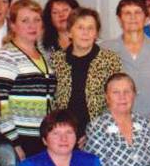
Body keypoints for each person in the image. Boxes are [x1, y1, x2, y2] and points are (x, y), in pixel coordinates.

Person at [0, 0, 58, 158]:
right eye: (25, 21)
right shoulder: (6, 55)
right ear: (13, 25)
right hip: (18, 139)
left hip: (43, 138)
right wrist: (13, 142)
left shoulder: (45, 55)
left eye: (36, 20)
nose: (32, 26)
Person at [102, 0, 150, 122]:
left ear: (146, 18)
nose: (133, 17)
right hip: (115, 123)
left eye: (137, 12)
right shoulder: (105, 48)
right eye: (127, 13)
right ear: (119, 19)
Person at [51, 8, 123, 139]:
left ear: (96, 34)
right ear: (70, 32)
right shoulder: (56, 60)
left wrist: (94, 132)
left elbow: (116, 101)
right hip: (62, 133)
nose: (86, 33)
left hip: (99, 133)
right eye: (80, 28)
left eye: (90, 28)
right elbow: (52, 100)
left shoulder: (110, 60)